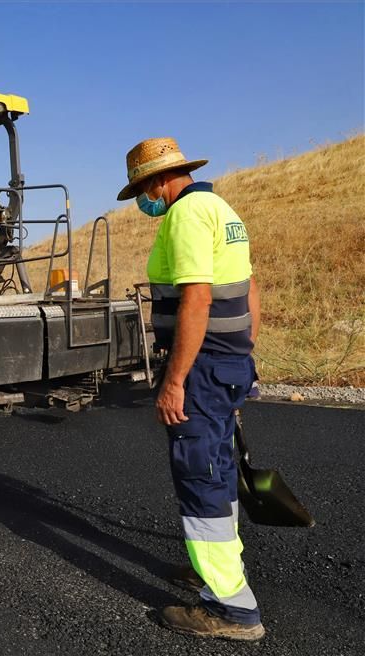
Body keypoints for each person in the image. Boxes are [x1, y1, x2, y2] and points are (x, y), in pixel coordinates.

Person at [117, 137, 264, 641]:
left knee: (199, 473)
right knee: (219, 468)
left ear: (159, 181)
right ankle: (217, 571)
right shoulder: (223, 209)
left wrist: (175, 381)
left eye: (142, 189)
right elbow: (248, 288)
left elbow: (197, 299)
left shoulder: (185, 214)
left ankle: (230, 607)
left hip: (201, 368)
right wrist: (244, 355)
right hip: (228, 362)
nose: (143, 201)